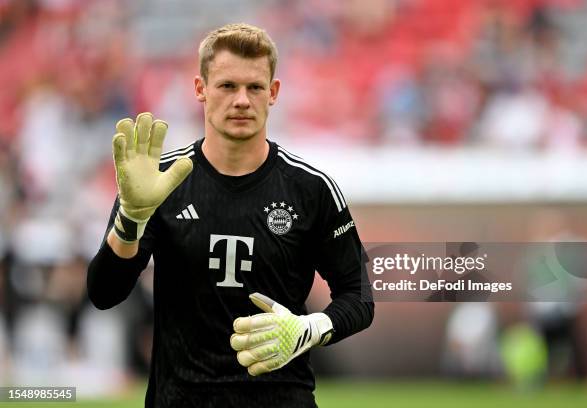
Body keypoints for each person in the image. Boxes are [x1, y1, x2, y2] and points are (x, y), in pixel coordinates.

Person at [87, 23, 374, 407]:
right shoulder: (160, 182)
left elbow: (358, 296)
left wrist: (309, 328)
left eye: (255, 87)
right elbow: (104, 293)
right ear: (200, 89)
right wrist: (131, 218)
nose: (242, 100)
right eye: (227, 86)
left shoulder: (310, 188)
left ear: (273, 93)